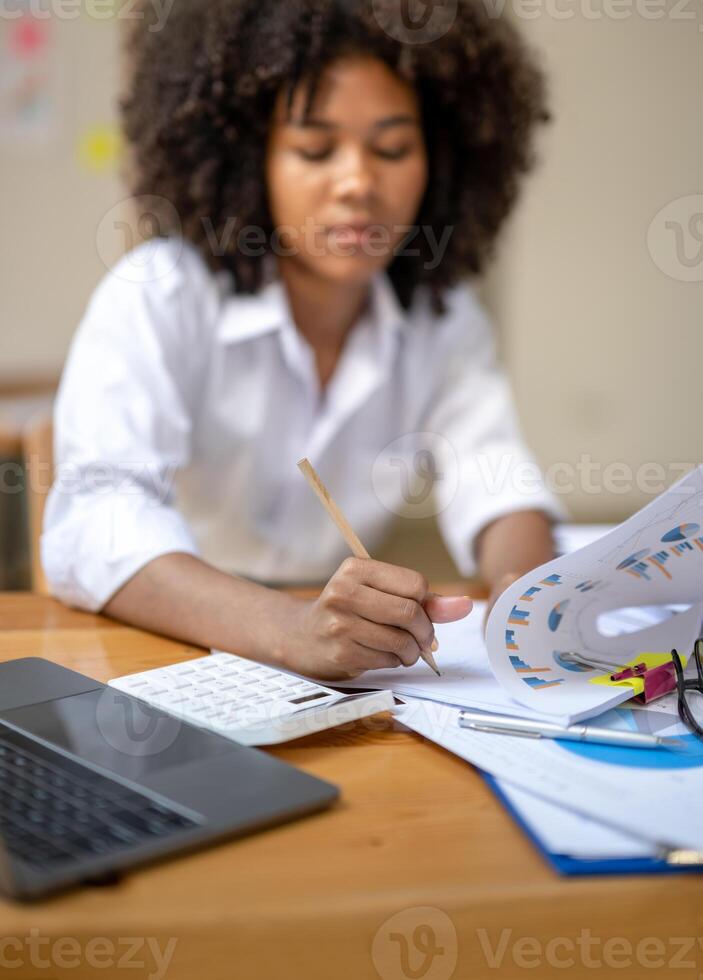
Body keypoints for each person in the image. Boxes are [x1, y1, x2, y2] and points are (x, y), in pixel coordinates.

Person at [42, 0, 566, 681]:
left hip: (339, 666)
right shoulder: (161, 293)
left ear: (440, 160)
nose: (356, 182)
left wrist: (540, 604)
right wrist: (289, 629)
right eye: (314, 149)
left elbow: (496, 482)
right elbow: (95, 519)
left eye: (391, 148)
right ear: (248, 154)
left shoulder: (442, 318)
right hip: (161, 638)